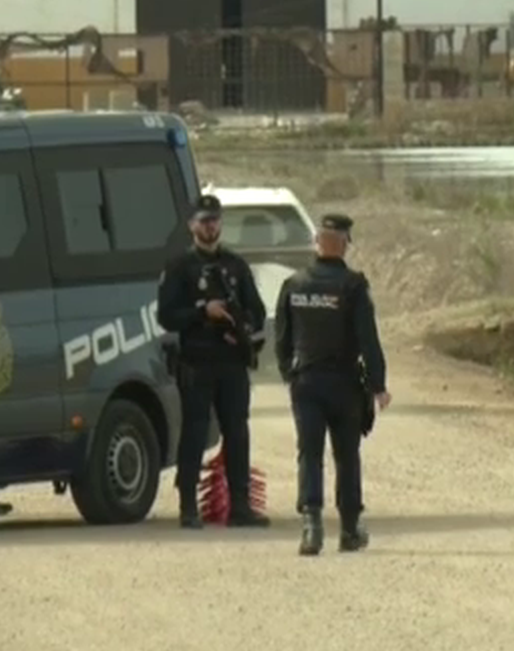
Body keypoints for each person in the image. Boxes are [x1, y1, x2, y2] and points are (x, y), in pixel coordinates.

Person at [274, 213, 390, 557]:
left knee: (309, 454)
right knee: (346, 456)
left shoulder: (294, 284)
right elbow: (368, 340)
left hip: (306, 382)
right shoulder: (353, 286)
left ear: (317, 243)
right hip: (343, 384)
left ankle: (311, 527)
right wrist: (378, 385)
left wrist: (290, 376)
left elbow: (281, 339)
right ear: (345, 244)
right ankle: (350, 528)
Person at [157, 193, 270, 530]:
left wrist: (242, 326)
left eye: (215, 221)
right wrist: (201, 312)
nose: (210, 227)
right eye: (204, 221)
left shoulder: (235, 265)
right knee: (193, 432)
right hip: (197, 361)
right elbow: (166, 316)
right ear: (192, 226)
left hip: (231, 362)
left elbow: (258, 310)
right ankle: (188, 506)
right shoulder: (180, 267)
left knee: (237, 431)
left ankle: (240, 505)